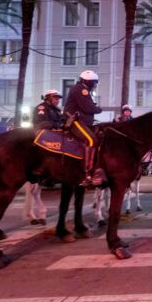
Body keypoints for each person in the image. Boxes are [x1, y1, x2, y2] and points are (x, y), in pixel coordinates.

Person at [25, 89, 63, 225]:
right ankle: (42, 172)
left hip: (54, 135)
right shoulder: (41, 108)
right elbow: (42, 123)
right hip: (43, 137)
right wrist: (56, 125)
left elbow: (61, 121)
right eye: (55, 97)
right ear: (48, 98)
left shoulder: (57, 110)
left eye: (58, 98)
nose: (57, 100)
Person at [64, 70, 104, 186]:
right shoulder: (81, 89)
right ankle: (87, 173)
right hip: (74, 121)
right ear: (89, 82)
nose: (94, 85)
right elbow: (88, 108)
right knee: (91, 140)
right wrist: (99, 109)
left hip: (83, 121)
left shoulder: (81, 89)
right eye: (94, 83)